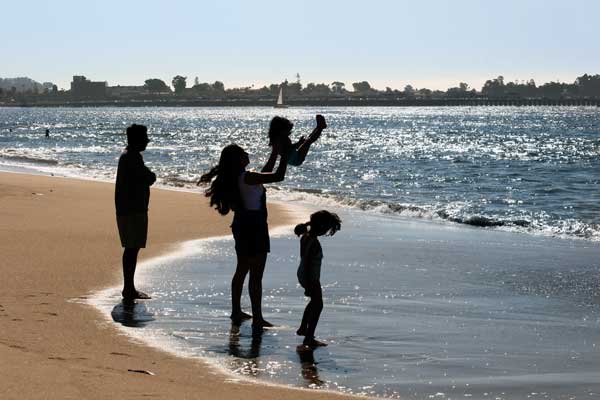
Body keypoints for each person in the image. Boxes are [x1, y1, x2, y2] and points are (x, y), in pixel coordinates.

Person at [199, 141, 290, 329]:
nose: (247, 154)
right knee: (256, 275)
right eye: (244, 153)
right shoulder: (247, 177)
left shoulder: (235, 178)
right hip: (255, 226)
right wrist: (285, 156)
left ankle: (236, 311)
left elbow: (264, 175)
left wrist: (275, 153)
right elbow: (278, 176)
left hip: (241, 225)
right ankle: (258, 318)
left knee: (242, 269)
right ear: (238, 160)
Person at [115, 124, 156, 301]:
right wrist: (151, 176)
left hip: (128, 208)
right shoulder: (132, 157)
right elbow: (149, 178)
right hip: (132, 210)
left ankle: (129, 288)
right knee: (132, 249)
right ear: (136, 140)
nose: (147, 141)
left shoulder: (129, 156)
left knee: (131, 248)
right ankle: (129, 289)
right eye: (144, 138)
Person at [294, 210, 341, 349]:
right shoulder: (312, 241)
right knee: (318, 304)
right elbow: (308, 261)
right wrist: (310, 283)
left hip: (305, 274)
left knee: (315, 302)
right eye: (327, 229)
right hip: (310, 276)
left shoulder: (306, 236)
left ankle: (303, 328)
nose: (326, 232)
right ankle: (309, 338)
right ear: (321, 227)